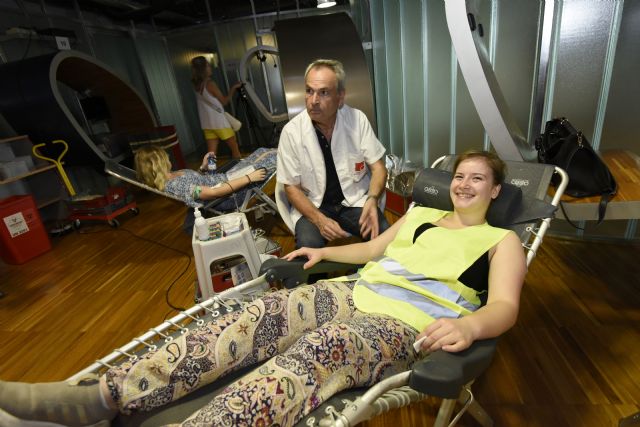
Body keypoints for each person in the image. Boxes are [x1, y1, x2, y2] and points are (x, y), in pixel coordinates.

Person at [0, 150, 526, 427]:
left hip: (405, 325)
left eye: (477, 178)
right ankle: (101, 397)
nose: (463, 184)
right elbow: (371, 252)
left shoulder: (502, 241)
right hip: (353, 291)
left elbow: (504, 306)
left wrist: (468, 327)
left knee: (320, 349)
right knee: (260, 314)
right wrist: (322, 255)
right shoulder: (420, 216)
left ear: (495, 190)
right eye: (460, 176)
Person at [277, 59, 389, 249]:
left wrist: (372, 199)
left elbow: (379, 168)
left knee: (384, 241)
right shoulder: (291, 132)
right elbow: (291, 187)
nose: (314, 101)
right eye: (309, 91)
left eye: (324, 93)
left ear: (340, 97)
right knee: (308, 251)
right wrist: (319, 220)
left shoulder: (357, 120)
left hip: (354, 202)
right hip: (314, 207)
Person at [134, 145, 267, 210]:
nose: (168, 157)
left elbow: (196, 185)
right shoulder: (175, 186)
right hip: (228, 195)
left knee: (262, 151)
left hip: (226, 179)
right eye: (165, 156)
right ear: (160, 162)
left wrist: (203, 167)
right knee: (267, 161)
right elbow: (214, 192)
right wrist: (249, 178)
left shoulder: (171, 175)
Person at [191, 55, 243, 160]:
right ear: (203, 69)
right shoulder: (210, 84)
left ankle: (212, 170)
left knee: (211, 153)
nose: (210, 67)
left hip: (207, 124)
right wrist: (233, 88)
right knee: (235, 148)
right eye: (208, 66)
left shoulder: (197, 85)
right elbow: (224, 101)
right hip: (219, 123)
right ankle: (239, 167)